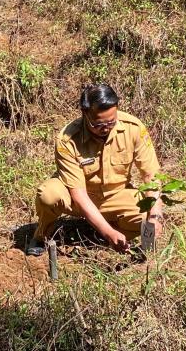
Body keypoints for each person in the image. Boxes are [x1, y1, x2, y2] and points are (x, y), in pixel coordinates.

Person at [26, 83, 163, 256]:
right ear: (85, 114)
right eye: (98, 124)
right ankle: (42, 236)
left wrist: (155, 214)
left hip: (116, 195)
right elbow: (79, 195)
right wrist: (108, 232)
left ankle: (103, 236)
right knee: (48, 195)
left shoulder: (133, 128)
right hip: (78, 198)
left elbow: (151, 175)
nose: (105, 128)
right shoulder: (67, 139)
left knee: (145, 216)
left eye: (111, 122)